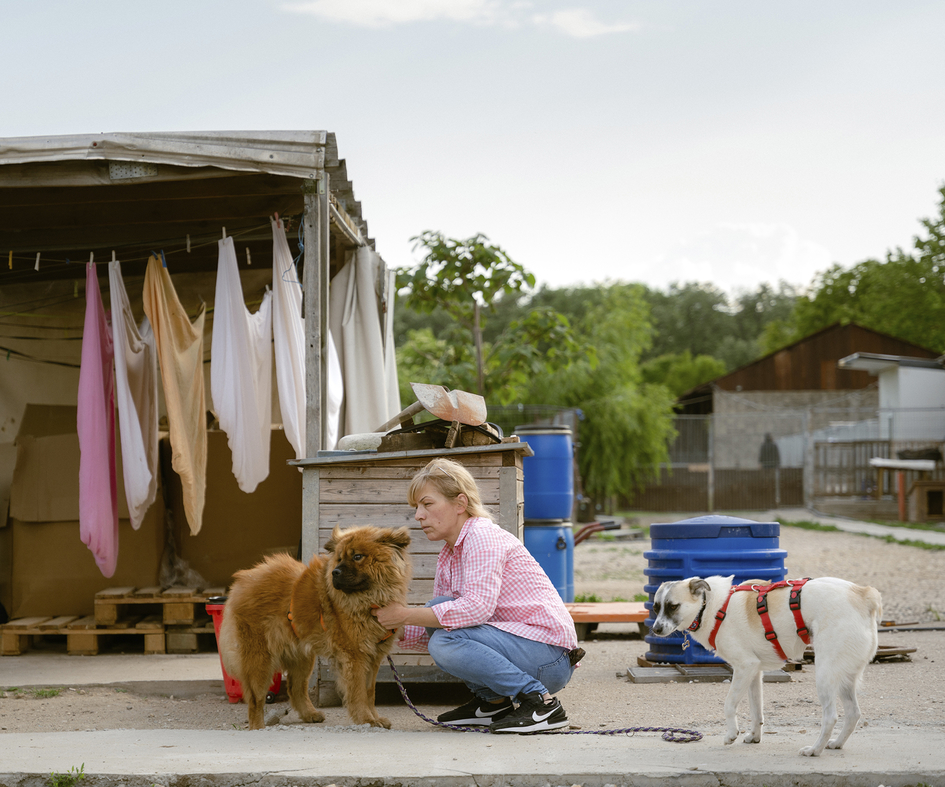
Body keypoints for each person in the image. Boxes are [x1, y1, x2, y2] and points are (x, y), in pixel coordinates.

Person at [372, 457, 582, 733]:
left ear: (460, 504)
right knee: (441, 611)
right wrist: (387, 628)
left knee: (444, 636)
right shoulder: (451, 552)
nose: (418, 516)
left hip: (548, 658)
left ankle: (541, 703)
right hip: (525, 651)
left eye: (427, 504)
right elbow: (441, 625)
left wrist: (404, 614)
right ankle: (493, 703)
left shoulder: (481, 537)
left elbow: (476, 610)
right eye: (416, 507)